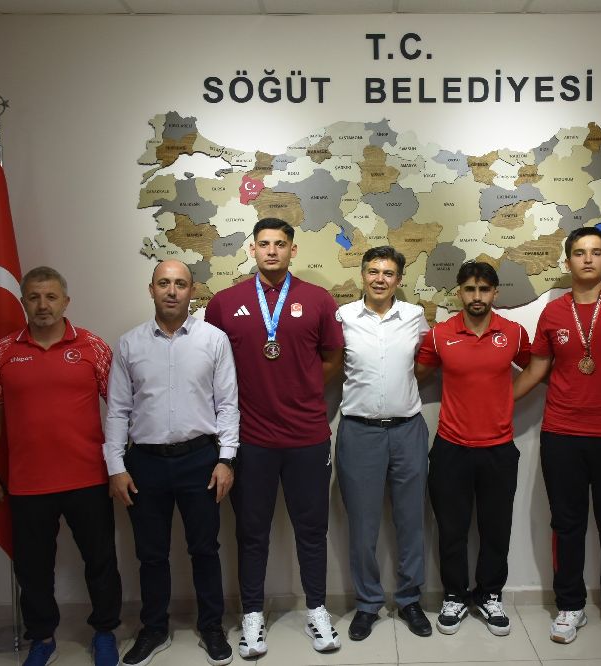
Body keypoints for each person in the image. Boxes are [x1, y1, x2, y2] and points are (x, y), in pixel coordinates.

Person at [205, 218, 345, 656]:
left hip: (307, 436)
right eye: (264, 244)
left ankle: (317, 609)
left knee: (312, 530)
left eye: (280, 244)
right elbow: (213, 367)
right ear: (252, 249)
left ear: (292, 250)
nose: (271, 251)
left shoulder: (318, 299)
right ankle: (252, 614)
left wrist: (302, 389)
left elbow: (333, 357)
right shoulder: (224, 304)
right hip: (251, 439)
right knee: (252, 533)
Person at [0, 266, 122, 666]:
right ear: (23, 302)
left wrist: (120, 465)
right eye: (35, 297)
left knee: (101, 562)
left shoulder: (93, 346)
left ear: (66, 302)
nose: (43, 305)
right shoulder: (2, 352)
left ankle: (105, 632)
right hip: (28, 483)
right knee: (33, 569)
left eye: (51, 297)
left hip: (89, 478)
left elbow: (121, 409)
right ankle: (42, 637)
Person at [513, 227, 601, 646]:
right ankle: (570, 605)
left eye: (596, 252)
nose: (587, 259)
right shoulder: (554, 313)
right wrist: (496, 403)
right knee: (566, 524)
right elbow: (537, 369)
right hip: (562, 434)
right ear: (567, 260)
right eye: (579, 252)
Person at [105, 260, 239, 666]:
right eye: (163, 283)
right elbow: (117, 410)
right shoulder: (129, 344)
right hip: (144, 463)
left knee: (205, 549)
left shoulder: (214, 340)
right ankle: (153, 628)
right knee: (150, 554)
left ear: (191, 291)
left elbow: (228, 404)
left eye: (180, 284)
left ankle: (211, 626)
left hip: (201, 460)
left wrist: (226, 459)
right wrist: (115, 467)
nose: (171, 291)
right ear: (151, 290)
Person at [415, 260, 531, 637]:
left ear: (494, 293)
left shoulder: (513, 333)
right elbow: (418, 373)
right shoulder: (440, 335)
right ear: (459, 293)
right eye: (469, 289)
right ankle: (454, 595)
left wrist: (507, 398)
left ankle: (490, 594)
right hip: (451, 447)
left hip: (499, 448)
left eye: (483, 289)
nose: (476, 296)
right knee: (452, 528)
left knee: (496, 528)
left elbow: (538, 366)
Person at [335, 246, 432, 641]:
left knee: (411, 520)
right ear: (362, 275)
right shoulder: (342, 317)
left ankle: (409, 599)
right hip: (359, 432)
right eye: (373, 271)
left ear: (399, 279)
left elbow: (424, 364)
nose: (380, 279)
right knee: (362, 525)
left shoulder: (414, 316)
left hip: (407, 430)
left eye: (388, 273)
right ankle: (367, 603)